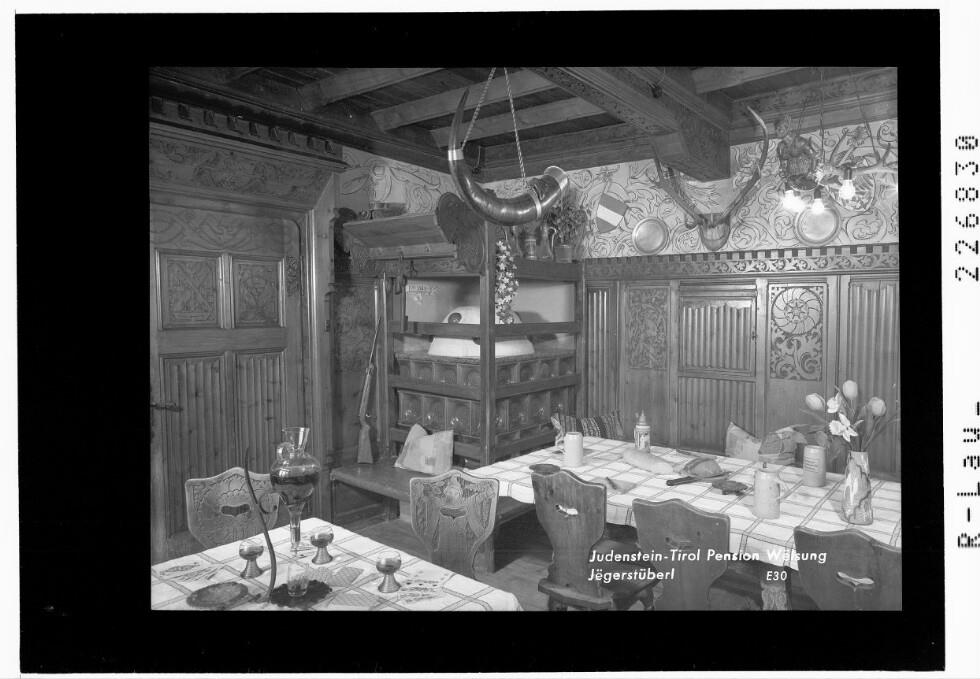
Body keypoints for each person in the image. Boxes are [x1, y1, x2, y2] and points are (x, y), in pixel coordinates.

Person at [775, 114, 818, 190]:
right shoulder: (780, 147)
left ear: (788, 129)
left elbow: (814, 157)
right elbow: (782, 164)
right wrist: (785, 176)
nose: (776, 131)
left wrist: (811, 172)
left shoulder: (800, 142)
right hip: (793, 179)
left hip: (806, 177)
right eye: (776, 128)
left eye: (779, 128)